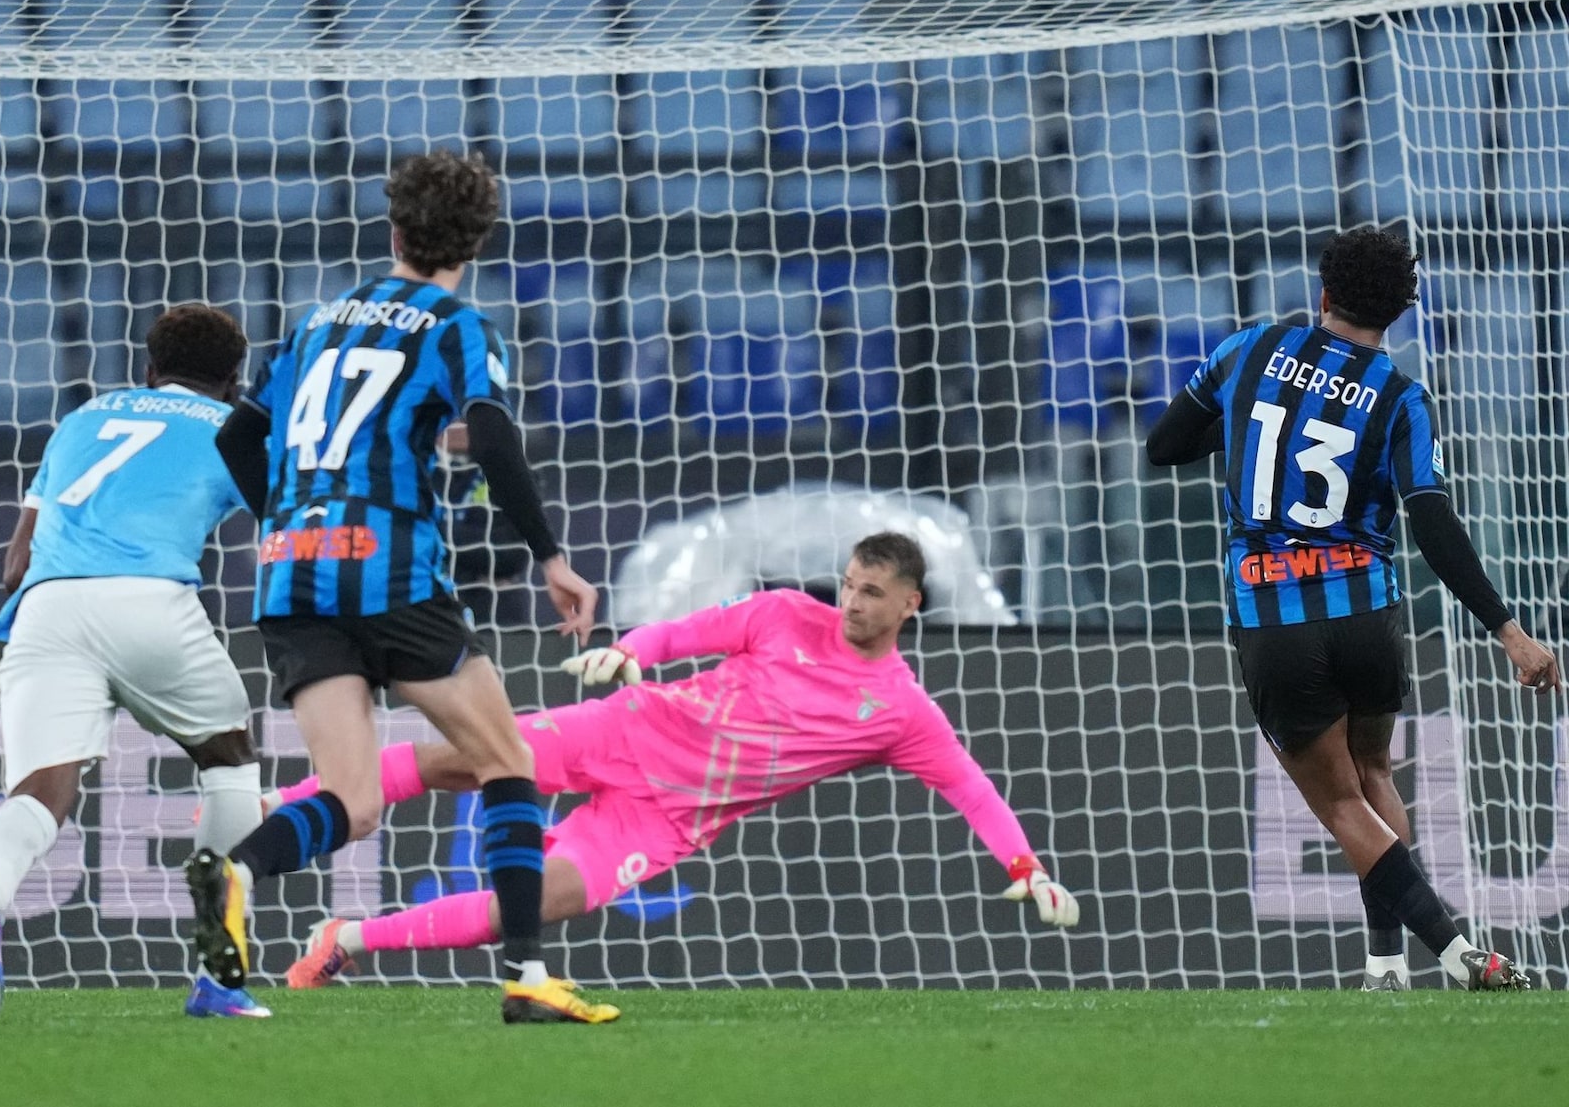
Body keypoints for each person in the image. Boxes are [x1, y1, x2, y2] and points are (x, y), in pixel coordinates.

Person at [270, 532, 1080, 986]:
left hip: (667, 817)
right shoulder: (784, 611)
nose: (851, 602)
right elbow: (678, 636)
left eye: (871, 592)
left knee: (539, 901)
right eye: (847, 583)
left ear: (911, 603)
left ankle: (351, 935)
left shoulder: (903, 713)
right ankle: (288, 808)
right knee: (466, 758)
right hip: (632, 726)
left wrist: (1026, 862)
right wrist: (627, 651)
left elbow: (970, 787)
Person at [199, 150, 614, 1024]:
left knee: (349, 801)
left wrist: (289, 515)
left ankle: (238, 870)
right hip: (389, 570)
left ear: (392, 231)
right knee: (509, 760)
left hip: (290, 574)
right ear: (474, 244)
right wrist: (550, 556)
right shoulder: (456, 324)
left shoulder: (314, 322)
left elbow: (237, 441)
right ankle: (529, 975)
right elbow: (493, 441)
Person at [1146, 225, 1560, 991]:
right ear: (1398, 313)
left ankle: (1459, 951)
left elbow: (1164, 444)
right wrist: (1508, 628)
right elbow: (1432, 519)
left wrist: (1250, 429)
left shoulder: (1247, 350)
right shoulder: (1401, 395)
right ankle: (1384, 962)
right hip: (1367, 612)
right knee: (1375, 770)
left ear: (1325, 293)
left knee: (1339, 803)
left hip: (1274, 613)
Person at [0, 304, 267, 1024]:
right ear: (233, 379)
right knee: (230, 759)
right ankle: (218, 972)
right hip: (149, 600)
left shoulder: (83, 419)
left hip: (46, 609)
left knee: (40, 794)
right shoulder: (234, 425)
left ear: (149, 370)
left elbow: (12, 564)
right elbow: (276, 520)